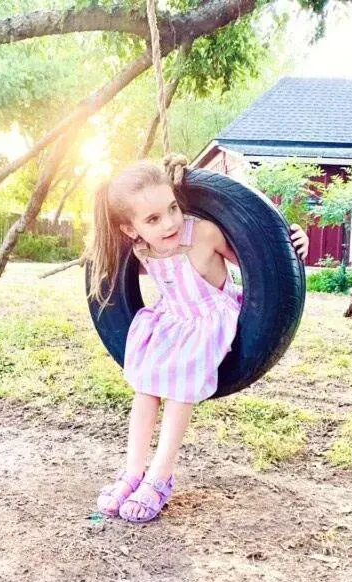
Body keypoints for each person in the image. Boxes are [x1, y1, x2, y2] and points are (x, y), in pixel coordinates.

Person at [87, 161, 309, 523]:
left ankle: (159, 477)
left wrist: (292, 242)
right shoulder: (142, 250)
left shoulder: (203, 234)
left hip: (209, 319)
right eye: (154, 219)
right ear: (131, 229)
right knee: (145, 390)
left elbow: (262, 261)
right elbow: (122, 269)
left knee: (178, 391)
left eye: (172, 208)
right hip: (172, 320)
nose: (170, 223)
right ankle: (132, 472)